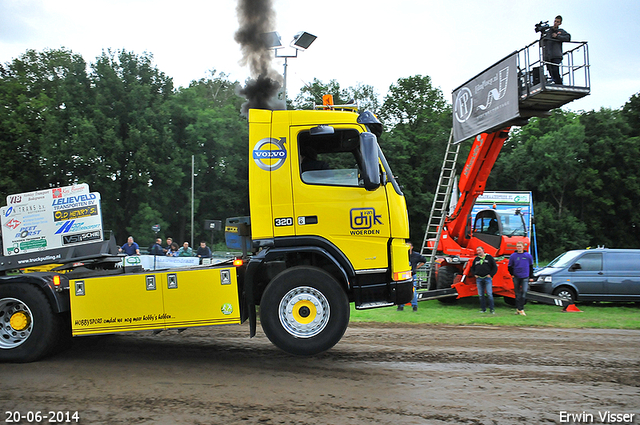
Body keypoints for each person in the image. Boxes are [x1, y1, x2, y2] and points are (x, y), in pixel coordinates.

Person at [541, 15, 571, 84]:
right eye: (555, 21)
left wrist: (557, 36)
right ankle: (555, 81)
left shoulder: (561, 31)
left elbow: (568, 38)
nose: (555, 23)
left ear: (560, 23)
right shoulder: (548, 31)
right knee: (550, 70)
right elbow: (541, 43)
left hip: (556, 54)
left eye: (558, 22)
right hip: (547, 55)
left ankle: (559, 83)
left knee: (555, 69)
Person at [398, 242, 427, 312]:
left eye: (409, 246)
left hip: (412, 274)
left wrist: (417, 267)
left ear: (412, 247)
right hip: (403, 275)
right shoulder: (401, 255)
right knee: (401, 290)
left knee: (413, 291)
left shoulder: (416, 255)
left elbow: (424, 260)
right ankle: (400, 306)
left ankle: (414, 306)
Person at [508, 241, 535, 316]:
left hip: (525, 276)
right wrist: (512, 274)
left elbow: (531, 267)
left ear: (523, 247)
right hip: (516, 276)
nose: (519, 248)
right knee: (517, 293)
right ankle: (519, 309)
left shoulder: (528, 256)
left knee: (524, 292)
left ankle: (521, 308)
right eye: (517, 246)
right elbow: (510, 266)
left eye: (520, 246)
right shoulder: (513, 256)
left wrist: (531, 276)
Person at [469, 246, 498, 313]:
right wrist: (474, 274)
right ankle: (483, 309)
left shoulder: (489, 257)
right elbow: (472, 268)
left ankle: (492, 310)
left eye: (480, 250)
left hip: (487, 278)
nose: (479, 252)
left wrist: (491, 275)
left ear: (483, 250)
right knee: (481, 295)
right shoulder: (476, 259)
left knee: (489, 294)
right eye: (477, 251)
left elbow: (494, 267)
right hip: (479, 278)